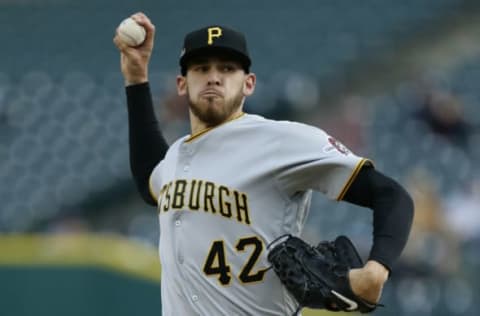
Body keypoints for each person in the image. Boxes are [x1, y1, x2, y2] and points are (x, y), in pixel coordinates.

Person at [114, 12, 414, 316]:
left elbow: (391, 195)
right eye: (201, 68)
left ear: (249, 84)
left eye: (228, 68)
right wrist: (136, 79)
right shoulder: (176, 156)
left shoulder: (281, 140)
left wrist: (376, 270)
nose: (213, 77)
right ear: (182, 84)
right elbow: (149, 176)